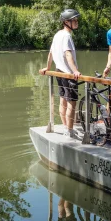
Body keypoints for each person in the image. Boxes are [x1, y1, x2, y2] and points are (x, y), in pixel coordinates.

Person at [39, 9, 82, 138]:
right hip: (68, 74)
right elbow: (67, 54)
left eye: (76, 19)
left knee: (63, 100)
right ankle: (69, 130)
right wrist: (75, 71)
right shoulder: (67, 36)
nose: (76, 21)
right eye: (74, 20)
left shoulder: (57, 34)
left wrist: (47, 67)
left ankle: (65, 127)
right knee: (71, 102)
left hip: (59, 72)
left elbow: (51, 53)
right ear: (66, 22)